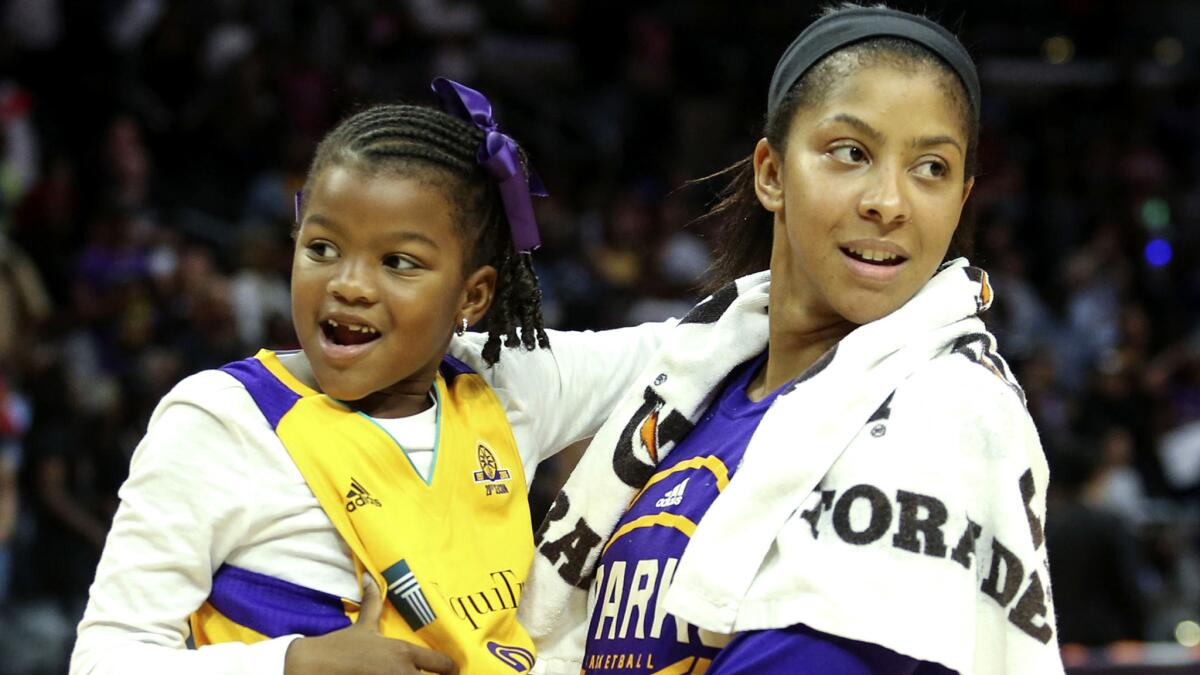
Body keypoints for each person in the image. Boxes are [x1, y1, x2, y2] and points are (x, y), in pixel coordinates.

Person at [520, 5, 1064, 674]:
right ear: (771, 173)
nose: (890, 201)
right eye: (851, 153)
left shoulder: (946, 407)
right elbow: (464, 367)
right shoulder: (690, 368)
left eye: (932, 168)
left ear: (961, 200)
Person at [70, 79, 670, 675]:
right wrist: (296, 663)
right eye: (323, 247)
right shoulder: (218, 419)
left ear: (473, 294)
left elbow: (706, 341)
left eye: (398, 263)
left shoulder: (506, 382)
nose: (348, 284)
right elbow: (105, 661)